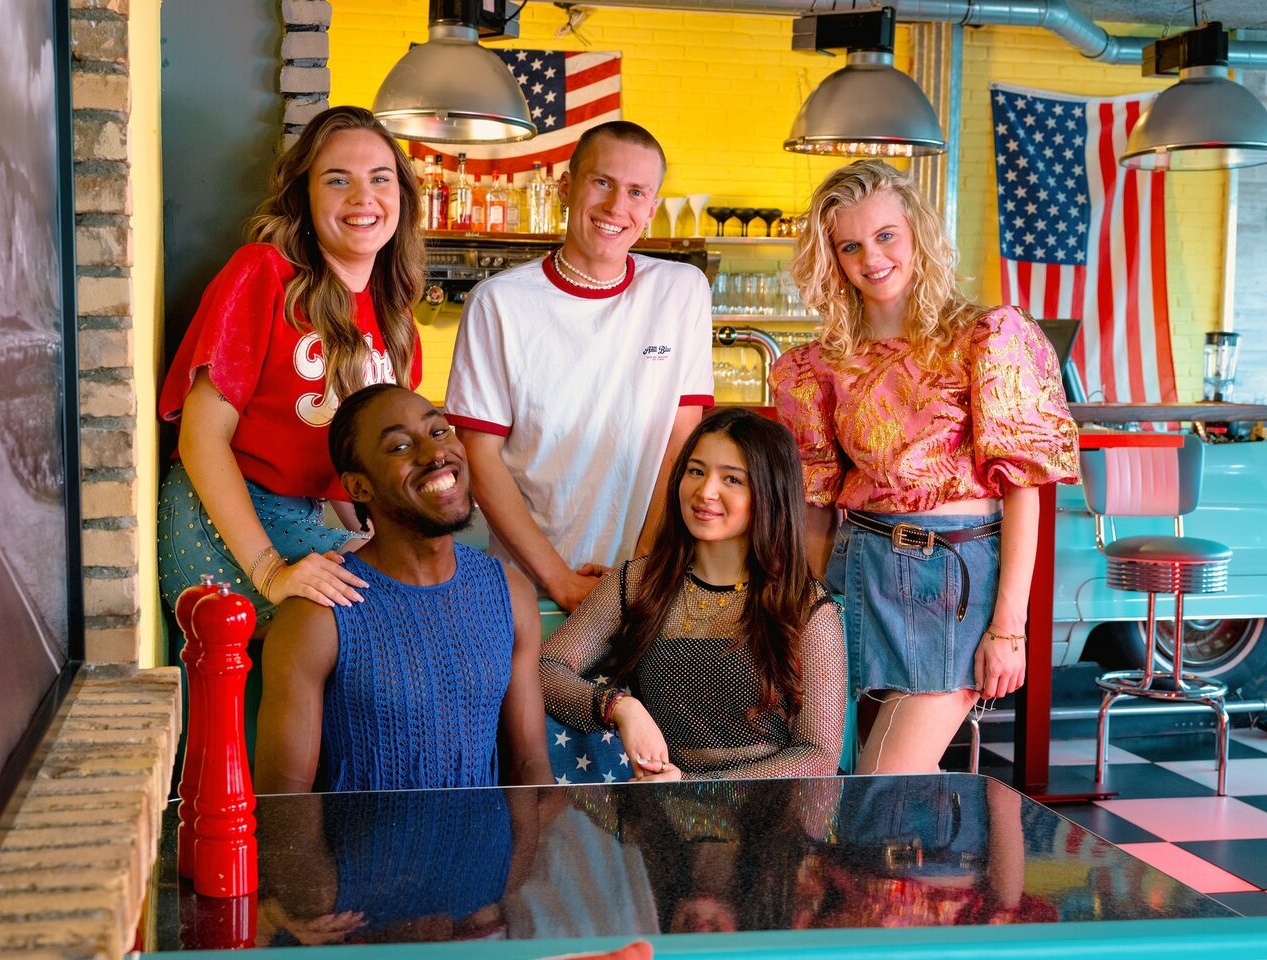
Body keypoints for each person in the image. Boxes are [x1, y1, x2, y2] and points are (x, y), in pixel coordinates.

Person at [769, 160, 1078, 775]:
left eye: (886, 235)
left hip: (952, 578)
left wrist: (1009, 629)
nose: (871, 258)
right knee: (860, 780)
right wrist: (803, 611)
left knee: (882, 780)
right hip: (857, 568)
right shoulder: (818, 365)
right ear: (833, 259)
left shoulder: (988, 336)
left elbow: (1024, 490)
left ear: (917, 232)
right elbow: (815, 501)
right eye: (850, 246)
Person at [157, 105, 425, 626]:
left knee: (422, 587)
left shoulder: (396, 321)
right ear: (305, 196)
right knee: (394, 609)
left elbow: (352, 469)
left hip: (298, 516)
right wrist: (271, 572)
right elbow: (200, 438)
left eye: (380, 179)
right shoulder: (263, 273)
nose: (363, 197)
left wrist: (373, 537)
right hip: (218, 521)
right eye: (338, 180)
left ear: (402, 197)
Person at [444, 120, 714, 612]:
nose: (616, 207)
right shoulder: (498, 302)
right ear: (566, 187)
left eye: (636, 192)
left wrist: (640, 570)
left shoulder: (681, 290)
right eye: (602, 182)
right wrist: (561, 580)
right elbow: (479, 455)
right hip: (529, 587)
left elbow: (681, 440)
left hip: (644, 584)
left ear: (651, 209)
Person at [254, 384, 552, 793]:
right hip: (364, 838)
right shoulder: (317, 613)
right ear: (358, 488)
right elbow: (283, 808)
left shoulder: (510, 594)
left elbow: (531, 772)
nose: (435, 454)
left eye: (439, 432)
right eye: (399, 447)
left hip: (487, 837)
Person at [539, 407, 846, 781]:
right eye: (696, 471)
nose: (705, 492)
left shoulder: (806, 606)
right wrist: (619, 707)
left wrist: (693, 787)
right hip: (657, 806)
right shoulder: (637, 583)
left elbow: (818, 755)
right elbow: (544, 669)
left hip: (770, 811)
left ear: (770, 492)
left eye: (732, 479)